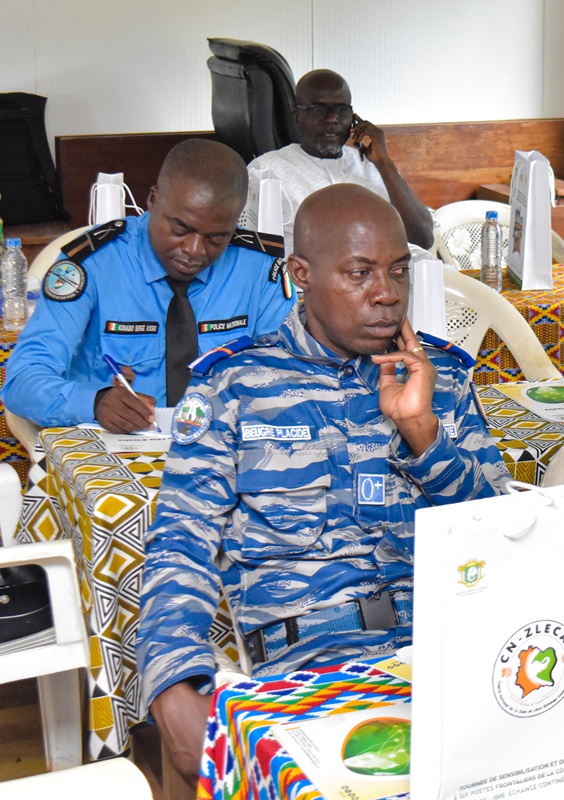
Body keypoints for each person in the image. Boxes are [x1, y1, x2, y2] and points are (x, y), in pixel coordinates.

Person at [136, 183, 507, 782]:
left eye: (398, 271)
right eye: (360, 274)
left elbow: (501, 534)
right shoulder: (234, 386)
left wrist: (423, 432)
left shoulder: (441, 379)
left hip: (452, 641)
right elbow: (181, 542)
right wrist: (174, 682)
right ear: (301, 275)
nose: (387, 294)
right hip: (313, 663)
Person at [2, 139, 295, 433]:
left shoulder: (261, 269)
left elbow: (292, 373)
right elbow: (22, 380)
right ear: (152, 199)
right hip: (117, 447)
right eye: (180, 228)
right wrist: (94, 402)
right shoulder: (91, 265)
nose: (194, 250)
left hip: (225, 441)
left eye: (216, 238)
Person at [245, 69, 434, 253]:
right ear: (297, 116)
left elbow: (423, 239)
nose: (332, 119)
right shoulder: (267, 170)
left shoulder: (373, 167)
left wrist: (385, 164)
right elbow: (251, 249)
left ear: (354, 119)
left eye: (341, 110)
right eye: (319, 109)